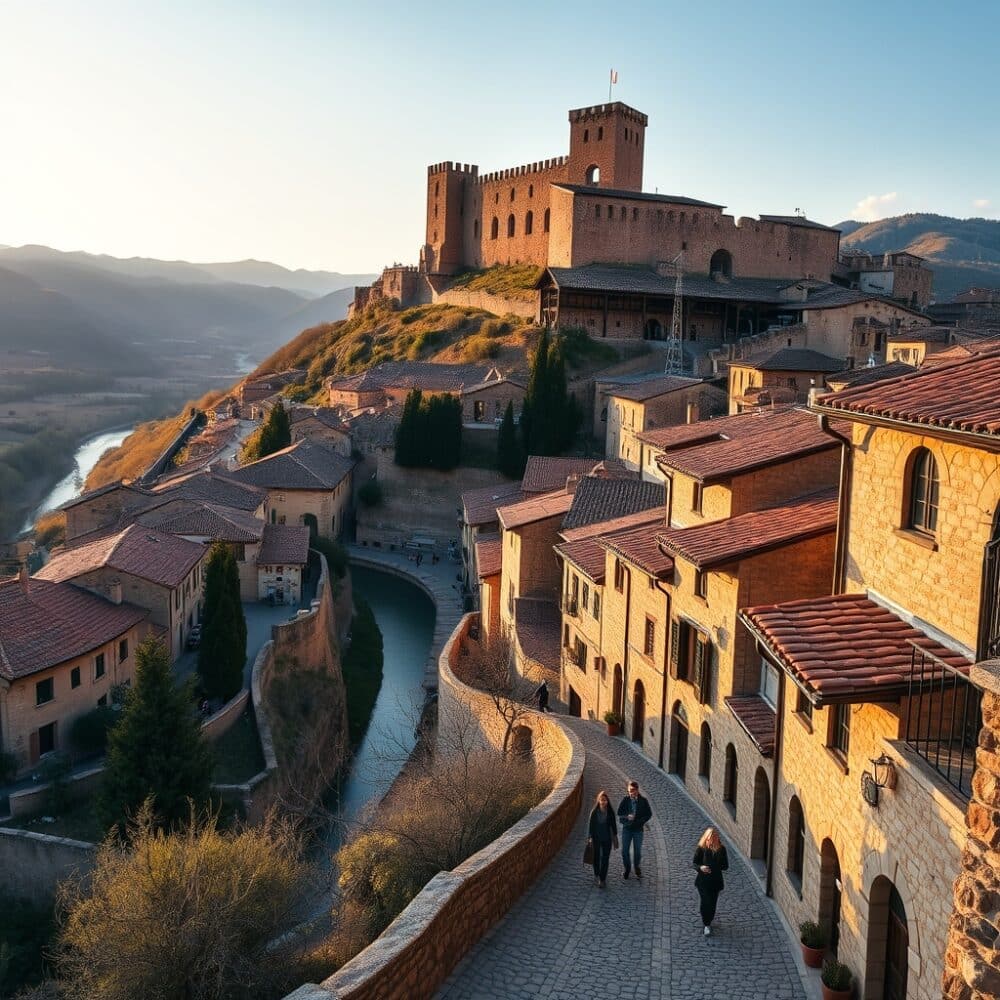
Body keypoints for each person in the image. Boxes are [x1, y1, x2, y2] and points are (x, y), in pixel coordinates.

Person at [693, 826, 729, 935]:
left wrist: (716, 864)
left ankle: (709, 920)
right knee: (705, 902)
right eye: (709, 839)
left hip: (715, 882)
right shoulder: (701, 848)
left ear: (717, 838)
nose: (711, 841)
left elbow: (725, 866)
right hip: (703, 882)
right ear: (706, 838)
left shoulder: (721, 849)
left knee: (712, 904)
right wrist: (701, 868)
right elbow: (695, 863)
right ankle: (706, 924)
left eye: (714, 838)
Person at [617, 780, 652, 878]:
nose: (630, 793)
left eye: (632, 790)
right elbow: (619, 813)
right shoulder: (625, 800)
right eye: (629, 791)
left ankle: (637, 868)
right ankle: (627, 869)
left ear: (637, 790)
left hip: (638, 830)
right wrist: (627, 816)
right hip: (627, 829)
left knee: (637, 852)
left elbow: (649, 814)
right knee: (624, 851)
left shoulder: (643, 801)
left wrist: (640, 821)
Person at [587, 790, 618, 888]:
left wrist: (615, 837)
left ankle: (602, 879)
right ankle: (596, 871)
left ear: (607, 801)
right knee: (596, 857)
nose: (603, 802)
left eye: (605, 800)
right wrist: (590, 837)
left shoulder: (610, 813)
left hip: (607, 839)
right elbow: (590, 826)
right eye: (602, 800)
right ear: (599, 801)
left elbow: (614, 826)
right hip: (596, 838)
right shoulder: (594, 812)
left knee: (605, 858)